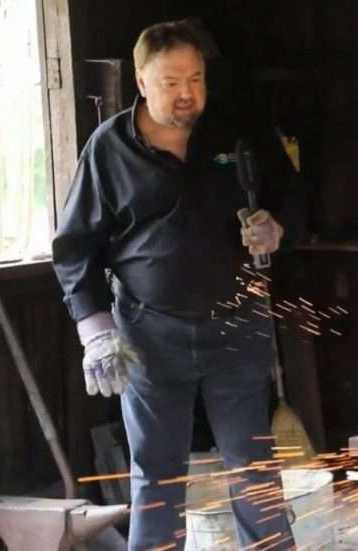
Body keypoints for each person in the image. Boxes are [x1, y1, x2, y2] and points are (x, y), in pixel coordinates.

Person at [52, 20, 301, 551]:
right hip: (149, 335)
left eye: (196, 78)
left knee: (253, 469)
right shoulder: (109, 149)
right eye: (171, 82)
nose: (187, 93)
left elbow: (292, 197)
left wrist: (275, 228)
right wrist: (95, 330)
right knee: (157, 476)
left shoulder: (237, 130)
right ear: (142, 81)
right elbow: (74, 247)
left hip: (236, 329)